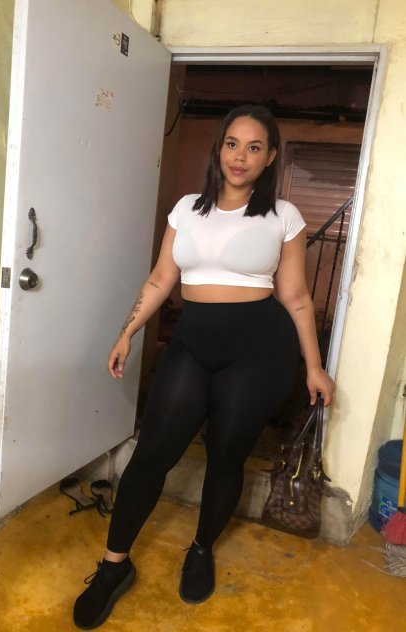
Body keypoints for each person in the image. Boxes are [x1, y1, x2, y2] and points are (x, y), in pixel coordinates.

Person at [73, 104, 336, 629]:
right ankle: (114, 565)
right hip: (192, 343)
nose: (240, 157)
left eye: (254, 147)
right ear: (219, 149)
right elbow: (160, 279)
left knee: (225, 456)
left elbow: (297, 297)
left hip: (258, 349)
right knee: (153, 453)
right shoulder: (186, 210)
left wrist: (314, 366)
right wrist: (127, 332)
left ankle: (200, 550)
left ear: (270, 157)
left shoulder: (283, 216)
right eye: (232, 144)